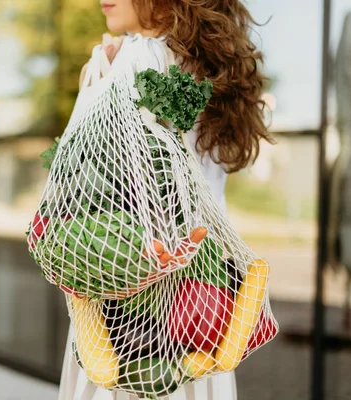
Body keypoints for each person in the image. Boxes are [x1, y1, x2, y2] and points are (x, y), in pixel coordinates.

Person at [59, 1, 272, 399]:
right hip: (208, 302)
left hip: (134, 307)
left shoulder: (138, 58)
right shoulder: (212, 67)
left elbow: (90, 181)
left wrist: (96, 78)